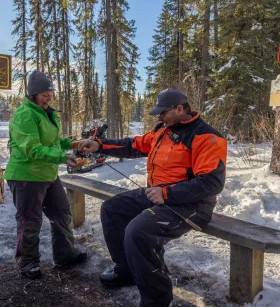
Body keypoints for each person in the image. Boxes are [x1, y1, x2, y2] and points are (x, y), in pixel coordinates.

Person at [78, 89, 227, 307]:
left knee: (139, 231)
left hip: (192, 205)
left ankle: (157, 299)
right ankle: (127, 270)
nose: (158, 117)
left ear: (179, 108)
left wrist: (167, 193)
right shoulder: (163, 131)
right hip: (159, 195)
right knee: (112, 208)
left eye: (162, 112)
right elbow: (134, 145)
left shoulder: (206, 137)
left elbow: (212, 183)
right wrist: (100, 145)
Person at [3, 71, 87, 280]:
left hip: (47, 174)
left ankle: (65, 255)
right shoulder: (25, 115)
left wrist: (74, 144)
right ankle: (28, 263)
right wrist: (62, 157)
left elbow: (54, 142)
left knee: (62, 213)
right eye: (44, 94)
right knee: (30, 220)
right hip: (26, 175)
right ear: (33, 94)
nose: (49, 98)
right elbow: (32, 149)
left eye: (50, 93)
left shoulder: (48, 113)